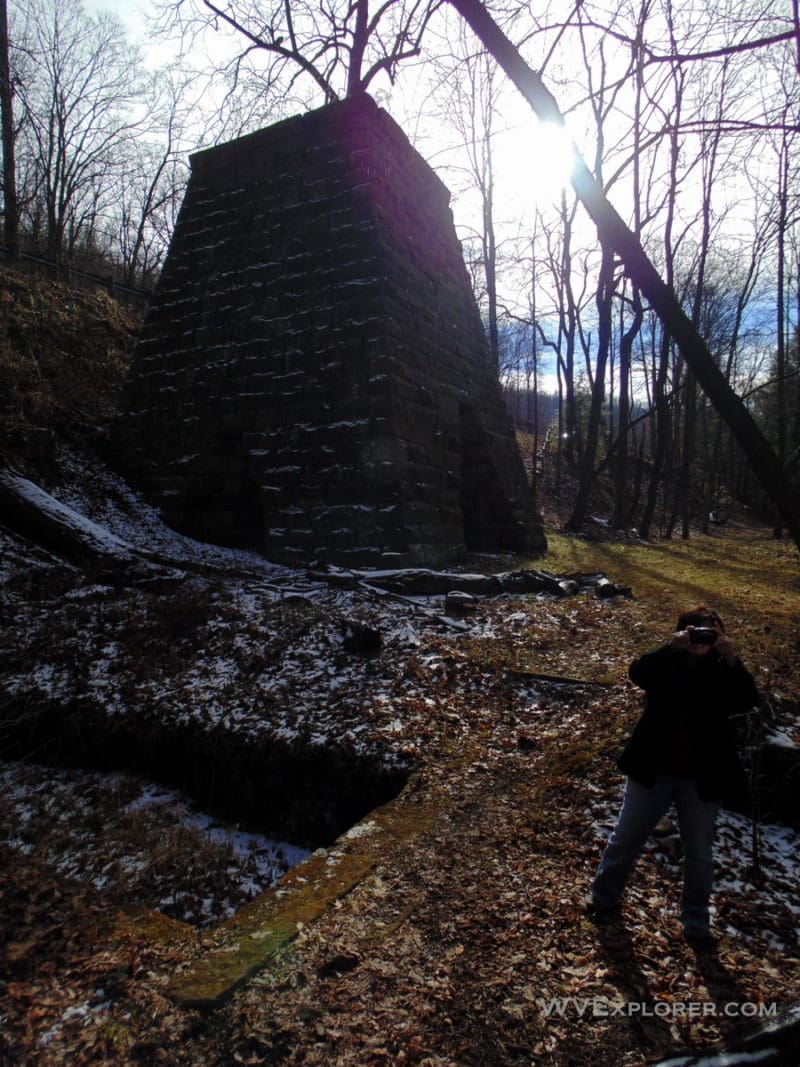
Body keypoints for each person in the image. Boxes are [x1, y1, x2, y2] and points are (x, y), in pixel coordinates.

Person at [588, 606, 759, 943]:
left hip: (703, 774)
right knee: (627, 836)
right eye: (695, 631)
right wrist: (671, 648)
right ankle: (602, 899)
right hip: (654, 767)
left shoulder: (724, 669)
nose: (701, 639)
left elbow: (747, 699)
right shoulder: (667, 662)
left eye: (709, 633)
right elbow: (637, 673)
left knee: (698, 851)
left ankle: (696, 922)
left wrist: (731, 656)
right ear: (683, 632)